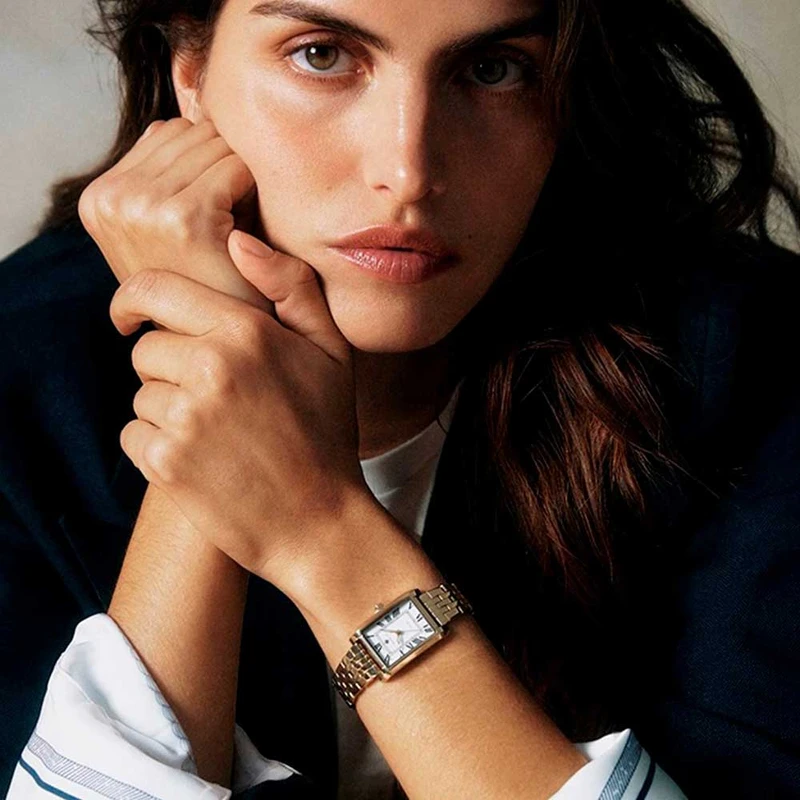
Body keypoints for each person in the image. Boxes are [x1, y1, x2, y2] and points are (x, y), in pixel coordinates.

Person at [1, 0, 799, 797]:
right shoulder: (23, 379)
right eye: (321, 55)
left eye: (493, 70)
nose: (408, 170)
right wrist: (210, 365)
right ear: (193, 79)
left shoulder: (751, 356)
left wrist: (322, 532)